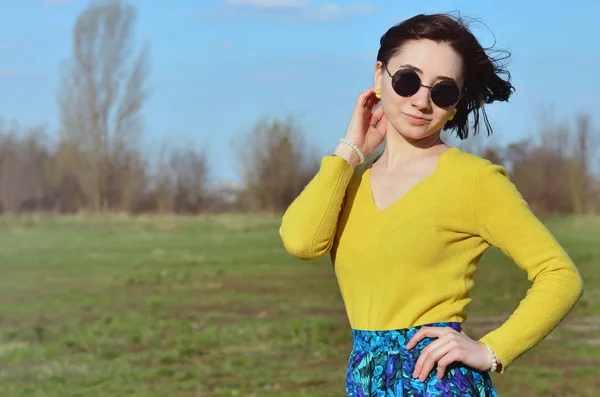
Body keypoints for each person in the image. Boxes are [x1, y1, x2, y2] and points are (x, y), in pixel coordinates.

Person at [278, 12, 584, 397]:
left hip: (438, 381)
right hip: (365, 380)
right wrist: (349, 152)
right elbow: (302, 242)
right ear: (379, 76)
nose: (422, 100)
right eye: (407, 80)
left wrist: (492, 350)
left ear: (455, 104)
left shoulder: (475, 181)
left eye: (442, 91)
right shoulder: (350, 184)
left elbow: (560, 275)